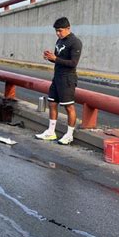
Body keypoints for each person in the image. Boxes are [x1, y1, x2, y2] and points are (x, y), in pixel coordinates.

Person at [35, 17, 83, 145]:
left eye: (60, 31)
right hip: (57, 77)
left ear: (68, 28)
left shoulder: (75, 42)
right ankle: (51, 132)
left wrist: (55, 59)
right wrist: (49, 57)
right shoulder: (59, 41)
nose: (58, 33)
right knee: (52, 103)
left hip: (68, 78)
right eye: (56, 31)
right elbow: (58, 59)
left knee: (68, 107)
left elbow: (73, 63)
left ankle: (69, 135)